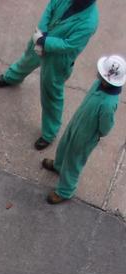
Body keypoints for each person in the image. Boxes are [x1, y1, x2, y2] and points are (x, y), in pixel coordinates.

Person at [0, 0, 99, 150]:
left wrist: (44, 41)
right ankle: (11, 77)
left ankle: (49, 133)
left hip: (57, 59)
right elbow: (50, 7)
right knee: (26, 61)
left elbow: (69, 44)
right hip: (40, 40)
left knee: (51, 94)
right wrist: (40, 33)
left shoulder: (89, 22)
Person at [42, 53, 124, 203]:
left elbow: (106, 127)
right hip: (77, 123)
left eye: (101, 74)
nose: (98, 74)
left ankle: (65, 191)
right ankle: (59, 165)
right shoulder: (97, 84)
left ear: (108, 80)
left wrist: (96, 134)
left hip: (87, 136)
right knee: (64, 144)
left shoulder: (108, 104)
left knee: (74, 160)